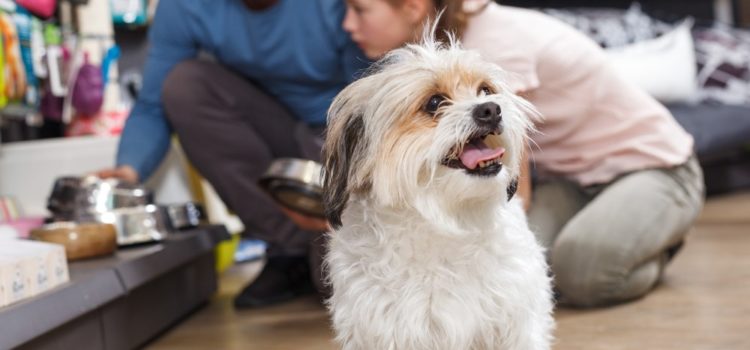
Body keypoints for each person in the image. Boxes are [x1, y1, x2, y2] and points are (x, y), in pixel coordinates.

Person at [340, 0, 705, 307]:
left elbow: (515, 185)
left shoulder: (491, 44)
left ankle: (657, 243)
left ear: (413, 6)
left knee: (579, 274)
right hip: (571, 179)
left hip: (654, 167)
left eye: (360, 10)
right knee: (530, 263)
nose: (348, 24)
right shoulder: (442, 51)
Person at [97, 0, 368, 308]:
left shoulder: (335, 9)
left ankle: (323, 248)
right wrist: (129, 171)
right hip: (269, 120)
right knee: (185, 87)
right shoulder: (184, 7)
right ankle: (287, 249)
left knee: (337, 287)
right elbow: (152, 103)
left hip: (340, 128)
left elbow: (366, 89)